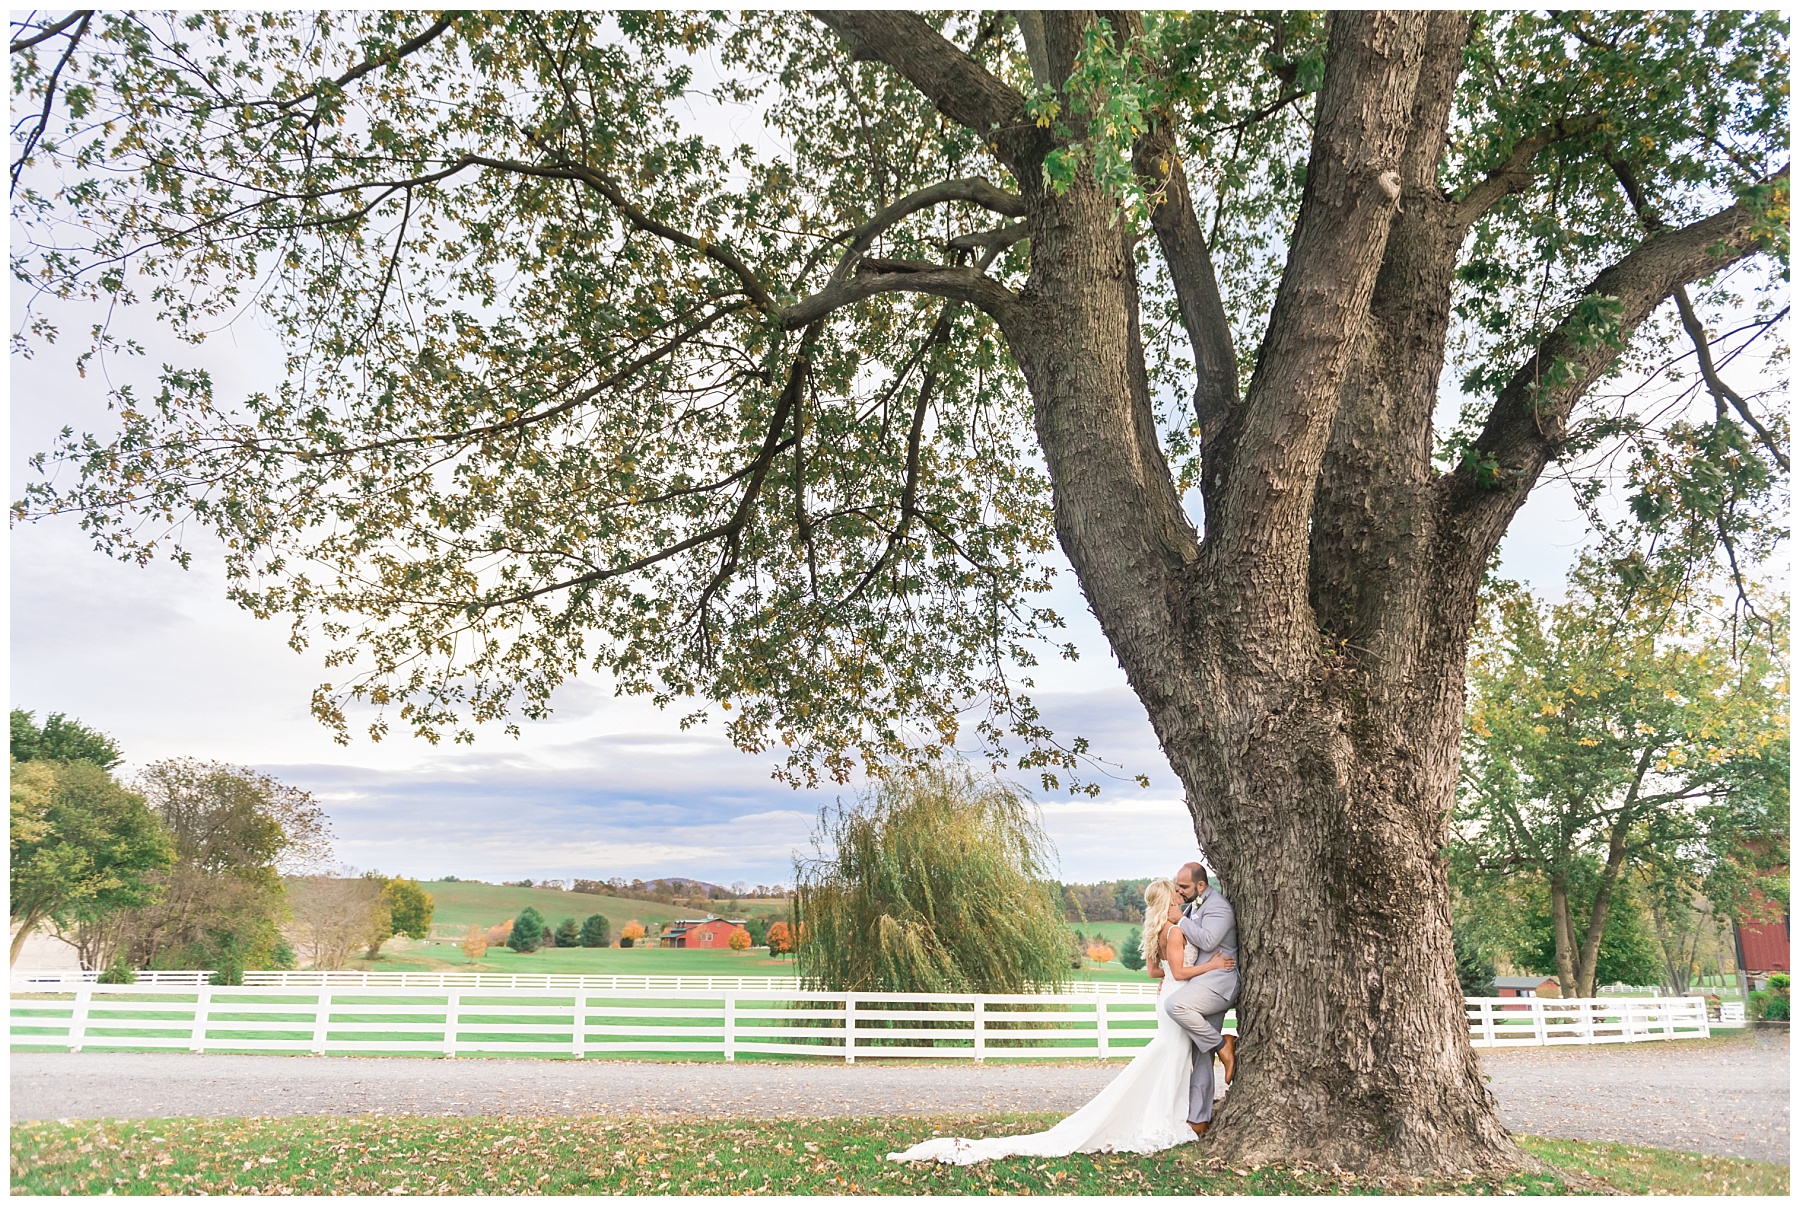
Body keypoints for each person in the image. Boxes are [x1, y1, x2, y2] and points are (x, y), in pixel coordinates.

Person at [887, 877, 1235, 1164]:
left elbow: (1154, 971)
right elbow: (1178, 969)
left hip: (1169, 998)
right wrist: (1211, 968)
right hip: (1177, 998)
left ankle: (1181, 1116)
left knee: (1170, 1061)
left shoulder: (1164, 929)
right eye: (1177, 891)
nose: (1180, 892)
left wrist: (1172, 980)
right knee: (1171, 1060)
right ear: (1170, 900)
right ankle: (1171, 1118)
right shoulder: (1174, 932)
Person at [1162, 860, 1238, 1135]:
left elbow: (1207, 941)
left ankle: (1223, 1044)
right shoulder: (1194, 905)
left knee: (1175, 1006)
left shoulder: (1217, 907)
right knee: (1200, 1053)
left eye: (1184, 887)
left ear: (1201, 885)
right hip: (1202, 984)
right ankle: (1199, 1119)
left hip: (1220, 983)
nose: (1180, 892)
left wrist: (1180, 919)